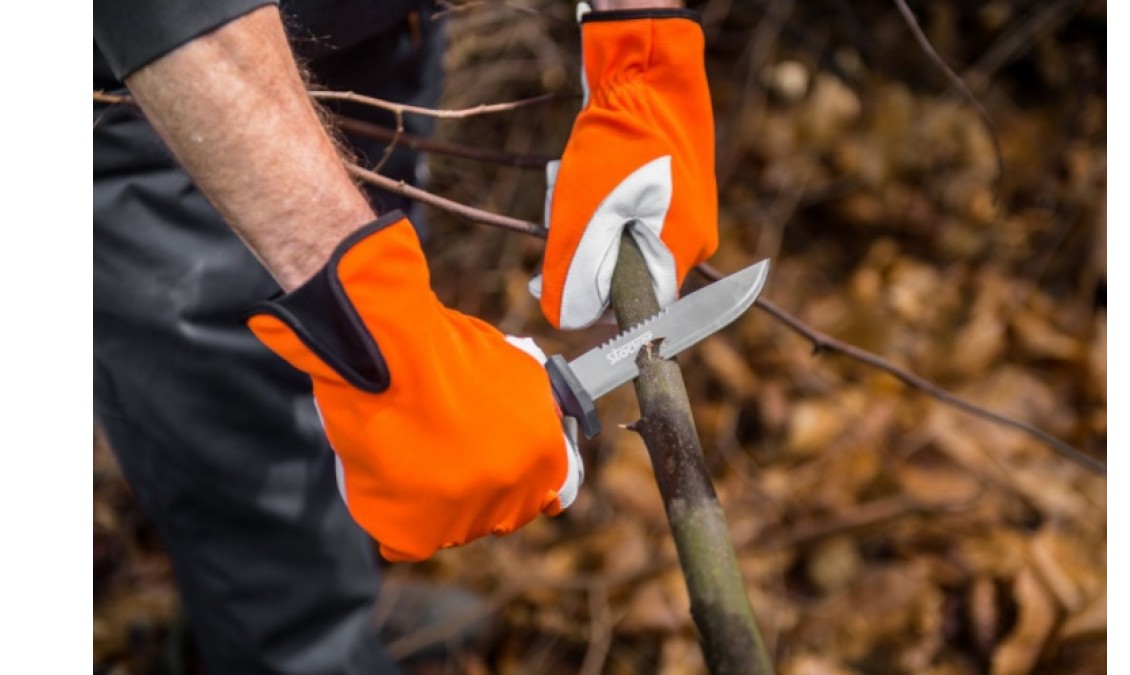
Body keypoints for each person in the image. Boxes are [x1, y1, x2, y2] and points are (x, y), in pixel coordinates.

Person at [93, 0, 718, 671]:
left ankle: (342, 591)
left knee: (360, 418)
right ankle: (304, 638)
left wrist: (639, 46)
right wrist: (365, 318)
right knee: (244, 441)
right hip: (161, 79)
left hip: (377, 34)